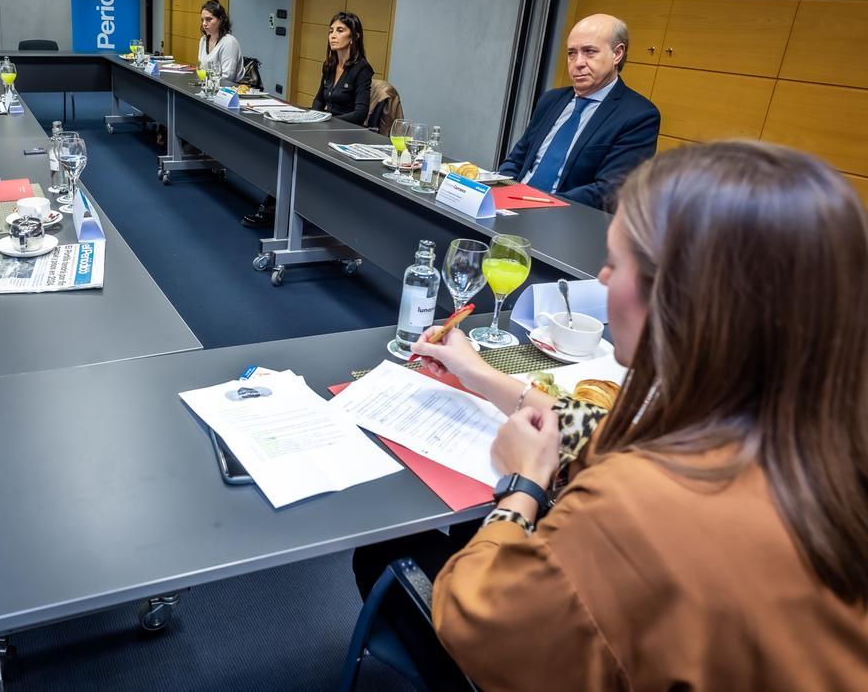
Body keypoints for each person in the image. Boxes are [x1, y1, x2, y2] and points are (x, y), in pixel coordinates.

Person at [371, 142, 868, 689]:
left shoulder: (639, 505)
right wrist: (479, 374)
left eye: (616, 262)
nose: (602, 280)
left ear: (681, 295)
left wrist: (522, 484)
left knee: (386, 550)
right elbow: (604, 428)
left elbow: (478, 621)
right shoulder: (813, 436)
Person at [497, 13, 659, 212]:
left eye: (589, 51)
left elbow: (610, 190)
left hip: (565, 216)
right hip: (510, 206)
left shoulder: (638, 115)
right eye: (571, 53)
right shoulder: (551, 100)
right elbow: (516, 159)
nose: (578, 62)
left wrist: (536, 205)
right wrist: (499, 190)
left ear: (617, 54)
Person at [243, 11, 374, 227]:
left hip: (343, 134)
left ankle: (274, 209)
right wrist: (311, 117)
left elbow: (360, 113)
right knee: (285, 151)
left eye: (340, 31)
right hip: (322, 128)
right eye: (331, 31)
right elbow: (318, 100)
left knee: (296, 159)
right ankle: (276, 205)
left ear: (355, 36)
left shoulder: (362, 70)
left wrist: (325, 120)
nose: (333, 35)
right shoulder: (330, 65)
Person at [197, 0, 243, 85]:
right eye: (202, 20)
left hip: (228, 91)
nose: (204, 23)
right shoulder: (203, 40)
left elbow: (228, 77)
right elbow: (201, 69)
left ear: (220, 20)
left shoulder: (229, 42)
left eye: (208, 19)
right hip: (209, 87)